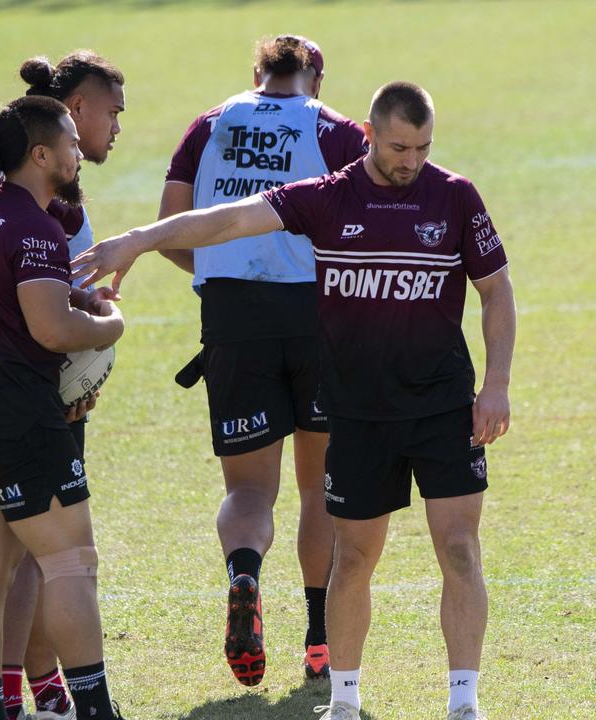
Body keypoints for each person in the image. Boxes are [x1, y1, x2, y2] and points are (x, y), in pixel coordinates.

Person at [72, 80, 516, 720]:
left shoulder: (454, 196)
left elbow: (496, 291)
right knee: (355, 558)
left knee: (460, 550)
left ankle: (464, 704)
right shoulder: (328, 199)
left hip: (442, 408)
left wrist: (496, 382)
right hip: (358, 414)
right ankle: (343, 701)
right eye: (398, 147)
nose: (411, 161)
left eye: (422, 147)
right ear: (368, 136)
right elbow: (227, 219)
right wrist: (139, 238)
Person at [155, 34, 366, 686]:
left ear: (256, 74)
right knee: (319, 488)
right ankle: (319, 640)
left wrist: (220, 270)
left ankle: (244, 573)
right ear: (317, 78)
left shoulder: (209, 125)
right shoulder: (335, 130)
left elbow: (169, 226)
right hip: (317, 317)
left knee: (248, 490)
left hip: (231, 314)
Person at [0, 95, 127, 720]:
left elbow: (6, 308)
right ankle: (95, 710)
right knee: (69, 562)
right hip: (16, 418)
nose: (78, 152)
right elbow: (51, 331)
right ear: (41, 155)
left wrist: (69, 299)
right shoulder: (38, 227)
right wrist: (109, 326)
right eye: (70, 142)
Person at [0, 49, 127, 720]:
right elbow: (53, 313)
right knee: (50, 553)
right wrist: (98, 337)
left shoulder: (27, 194)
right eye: (112, 113)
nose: (117, 127)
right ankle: (29, 689)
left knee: (18, 553)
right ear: (74, 116)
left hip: (0, 387)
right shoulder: (50, 205)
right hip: (31, 393)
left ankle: (25, 688)